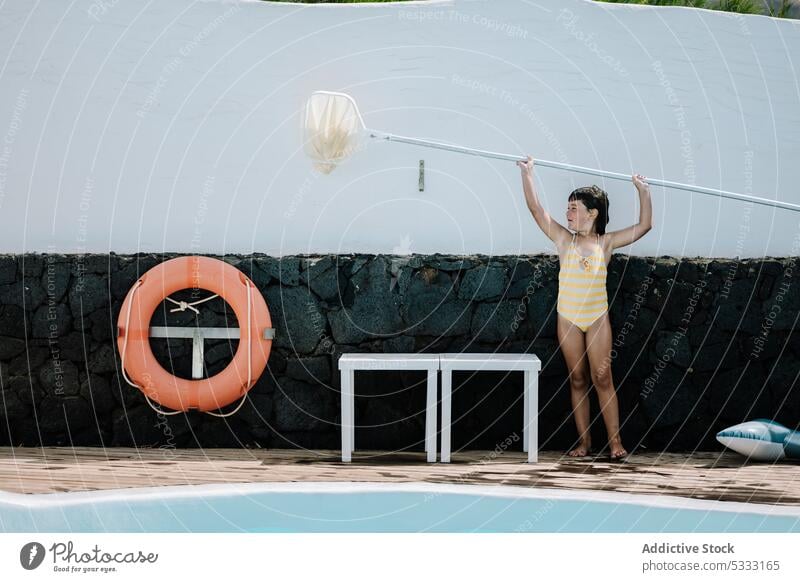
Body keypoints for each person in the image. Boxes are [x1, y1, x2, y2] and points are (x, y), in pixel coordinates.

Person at [517, 155, 652, 461]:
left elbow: (645, 225)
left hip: (596, 319)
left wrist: (643, 191)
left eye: (574, 209)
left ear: (593, 213)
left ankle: (616, 442)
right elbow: (536, 210)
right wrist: (528, 174)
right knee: (578, 378)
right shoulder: (564, 240)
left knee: (602, 378)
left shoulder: (606, 243)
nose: (567, 213)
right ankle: (585, 442)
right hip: (568, 318)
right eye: (567, 208)